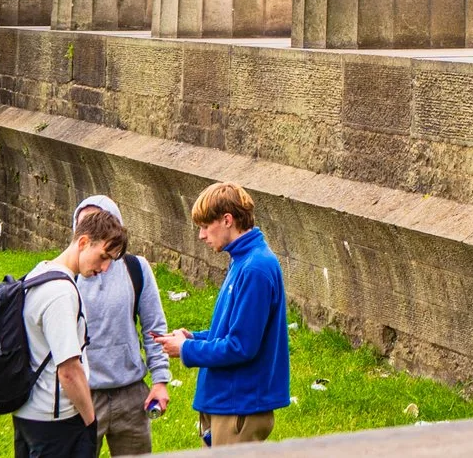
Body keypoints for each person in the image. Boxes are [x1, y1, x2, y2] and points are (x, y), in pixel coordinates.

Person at [151, 183, 288, 446]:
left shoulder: (255, 268)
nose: (201, 235)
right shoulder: (243, 260)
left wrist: (188, 349)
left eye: (205, 226)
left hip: (240, 407)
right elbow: (234, 332)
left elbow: (241, 346)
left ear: (227, 220)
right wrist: (194, 338)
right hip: (228, 403)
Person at [68, 196, 171, 456]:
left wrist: (160, 380)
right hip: (84, 395)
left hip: (131, 395)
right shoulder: (65, 278)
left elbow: (154, 328)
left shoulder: (136, 269)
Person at [14, 210, 118, 458]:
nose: (104, 268)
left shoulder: (39, 273)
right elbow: (68, 370)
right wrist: (90, 421)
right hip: (55, 420)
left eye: (110, 261)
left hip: (28, 412)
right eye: (103, 256)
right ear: (83, 242)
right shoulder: (61, 293)